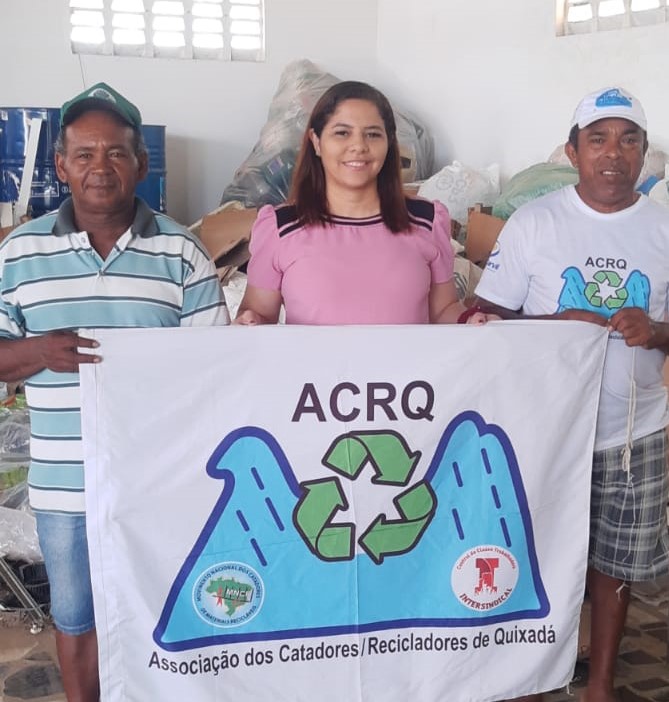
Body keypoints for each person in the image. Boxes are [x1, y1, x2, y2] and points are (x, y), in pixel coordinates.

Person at [0, 82, 229, 701]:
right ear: (61, 164)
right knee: (76, 620)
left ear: (141, 162)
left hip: (160, 479)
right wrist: (39, 352)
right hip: (65, 485)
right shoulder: (20, 252)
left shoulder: (181, 250)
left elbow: (218, 366)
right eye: (84, 153)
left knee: (167, 609)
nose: (100, 167)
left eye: (117, 153)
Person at [474, 87, 669, 702]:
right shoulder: (535, 222)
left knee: (614, 564)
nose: (614, 153)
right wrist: (555, 326)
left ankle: (602, 683)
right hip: (544, 428)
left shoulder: (664, 225)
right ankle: (526, 675)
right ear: (572, 151)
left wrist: (658, 331)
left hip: (633, 432)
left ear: (644, 153)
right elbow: (485, 318)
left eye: (629, 139)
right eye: (598, 139)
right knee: (532, 551)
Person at [235, 80, 489, 326]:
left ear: (389, 143)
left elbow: (443, 309)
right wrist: (250, 320)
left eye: (373, 134)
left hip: (405, 369)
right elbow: (259, 313)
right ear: (316, 141)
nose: (358, 146)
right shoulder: (281, 227)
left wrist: (468, 319)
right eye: (342, 133)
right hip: (314, 370)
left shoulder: (426, 220)